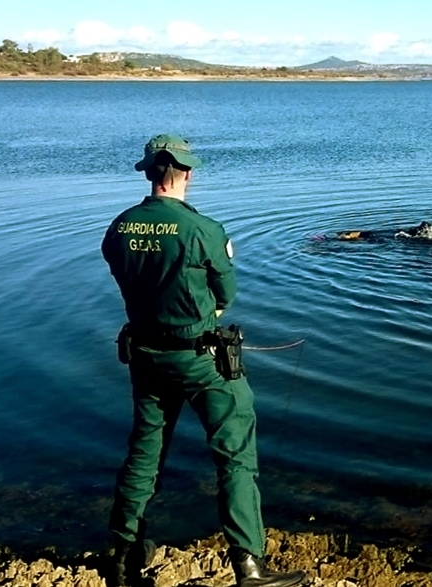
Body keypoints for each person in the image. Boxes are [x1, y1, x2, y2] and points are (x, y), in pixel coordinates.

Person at [101, 134, 306, 587]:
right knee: (235, 456)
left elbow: (124, 277)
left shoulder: (119, 227)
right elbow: (225, 294)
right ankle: (249, 566)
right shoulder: (204, 230)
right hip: (201, 360)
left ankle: (123, 556)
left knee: (144, 451)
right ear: (187, 173)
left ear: (147, 172)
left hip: (145, 357)